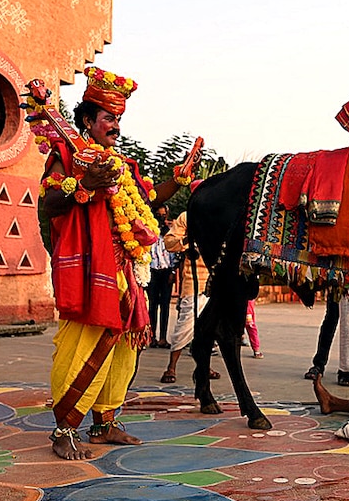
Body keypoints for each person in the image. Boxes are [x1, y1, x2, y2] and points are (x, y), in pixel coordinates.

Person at [39, 67, 194, 460]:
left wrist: (176, 180)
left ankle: (104, 424)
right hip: (92, 270)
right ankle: (63, 429)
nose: (116, 126)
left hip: (127, 268)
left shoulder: (121, 166)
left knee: (124, 348)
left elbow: (146, 198)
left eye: (120, 119)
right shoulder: (67, 155)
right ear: (88, 120)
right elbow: (49, 203)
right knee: (82, 346)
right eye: (109, 118)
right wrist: (85, 186)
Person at [161, 192, 221, 384]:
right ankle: (171, 367)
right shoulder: (187, 218)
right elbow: (169, 243)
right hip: (194, 281)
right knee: (185, 324)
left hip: (217, 280)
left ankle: (204, 367)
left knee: (210, 329)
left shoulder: (219, 215)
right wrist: (189, 239)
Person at [147, 205, 176, 348]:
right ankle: (151, 337)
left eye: (164, 215)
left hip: (166, 272)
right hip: (152, 271)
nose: (161, 218)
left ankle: (163, 338)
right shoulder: (149, 231)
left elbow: (174, 253)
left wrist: (173, 272)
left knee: (165, 305)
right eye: (159, 215)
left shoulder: (170, 233)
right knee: (152, 306)